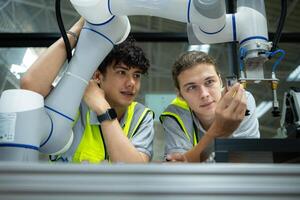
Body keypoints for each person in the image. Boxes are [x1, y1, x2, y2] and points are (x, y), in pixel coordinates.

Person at [21, 18, 154, 163]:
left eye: (137, 75)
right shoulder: (74, 105)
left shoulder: (141, 115)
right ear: (98, 76)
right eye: (122, 72)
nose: (131, 83)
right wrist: (81, 25)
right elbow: (31, 86)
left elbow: (134, 170)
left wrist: (103, 109)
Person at [160, 51, 260, 162]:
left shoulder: (240, 100)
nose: (204, 94)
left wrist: (193, 158)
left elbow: (245, 160)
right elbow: (179, 168)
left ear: (220, 81)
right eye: (192, 87)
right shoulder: (175, 114)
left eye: (209, 82)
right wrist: (219, 129)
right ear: (180, 95)